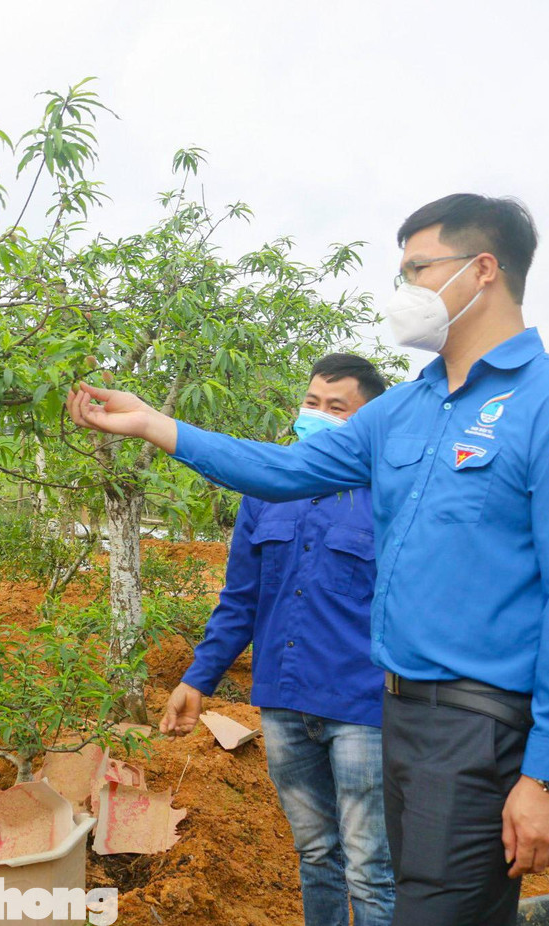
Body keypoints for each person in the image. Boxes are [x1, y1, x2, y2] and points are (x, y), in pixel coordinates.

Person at [70, 194, 549, 926]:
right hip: (398, 713)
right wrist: (156, 424)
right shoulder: (404, 410)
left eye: (418, 270)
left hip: (481, 725)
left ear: (483, 270)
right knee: (404, 897)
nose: (405, 290)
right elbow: (281, 470)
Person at [163, 353, 394, 926]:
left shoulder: (390, 496)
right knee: (315, 853)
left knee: (370, 867)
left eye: (336, 407)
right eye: (312, 402)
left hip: (363, 707)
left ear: (369, 421)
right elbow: (240, 598)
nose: (318, 414)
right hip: (284, 702)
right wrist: (198, 678)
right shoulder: (265, 492)